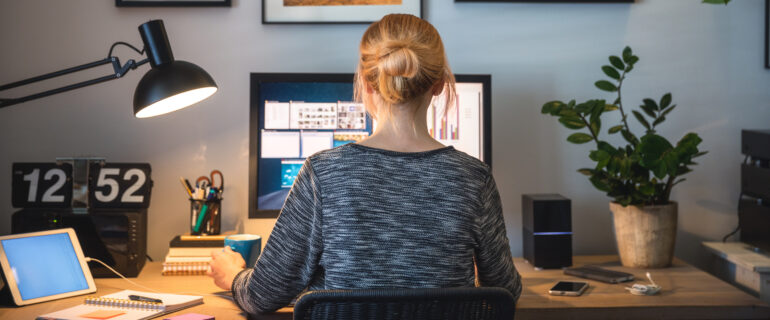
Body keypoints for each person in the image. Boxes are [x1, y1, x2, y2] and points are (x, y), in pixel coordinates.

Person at [207, 13, 522, 315]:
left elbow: (263, 296)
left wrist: (234, 275)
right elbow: (505, 290)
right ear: (439, 84)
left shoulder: (322, 172)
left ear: (368, 84)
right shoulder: (473, 177)